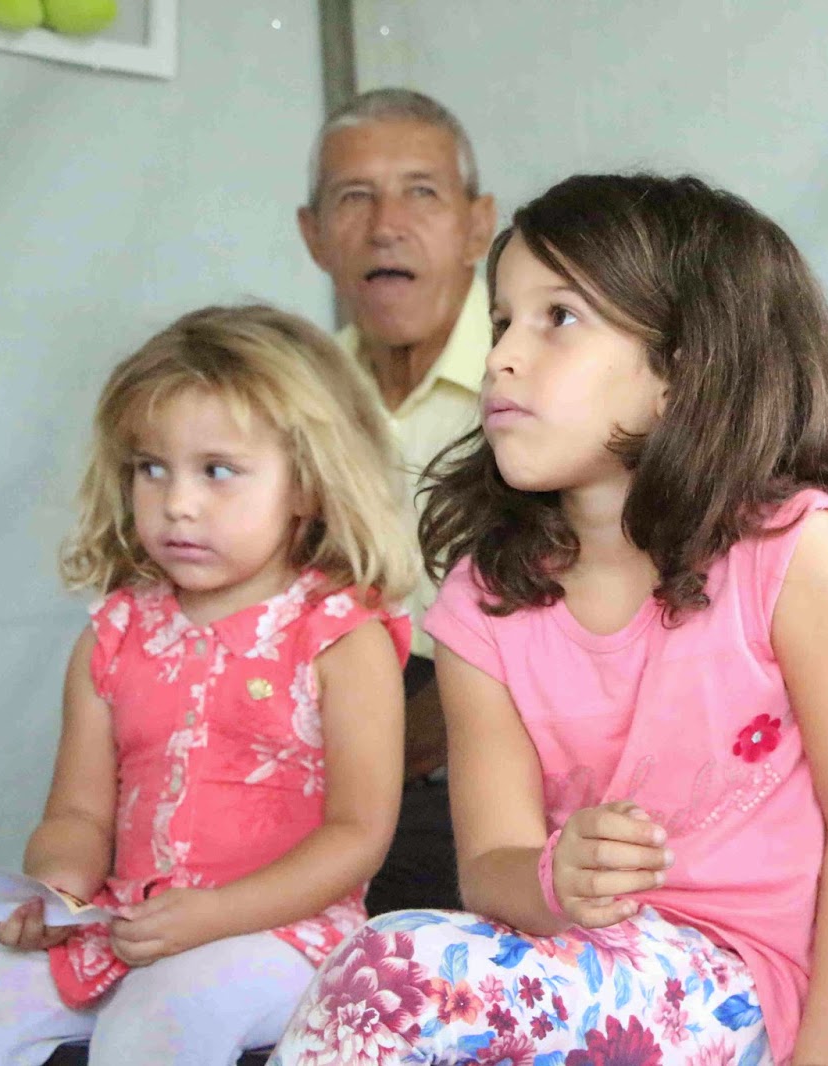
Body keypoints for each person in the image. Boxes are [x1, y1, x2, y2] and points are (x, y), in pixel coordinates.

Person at [267, 174, 828, 1066]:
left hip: (743, 985)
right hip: (570, 967)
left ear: (682, 370)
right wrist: (554, 878)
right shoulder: (482, 599)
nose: (502, 356)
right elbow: (492, 867)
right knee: (395, 969)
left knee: (394, 968)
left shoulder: (793, 548)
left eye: (559, 318)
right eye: (503, 320)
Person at [0, 306, 416, 1064]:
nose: (177, 502)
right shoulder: (114, 636)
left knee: (166, 1012)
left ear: (306, 484)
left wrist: (214, 915)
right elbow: (77, 814)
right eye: (152, 468)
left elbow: (357, 835)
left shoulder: (339, 636)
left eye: (217, 471)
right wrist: (57, 893)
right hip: (127, 928)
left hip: (286, 938)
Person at [297, 88, 497, 913]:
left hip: (488, 767)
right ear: (312, 236)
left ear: (478, 225)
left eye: (421, 192)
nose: (387, 226)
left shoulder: (540, 376)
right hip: (321, 752)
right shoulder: (293, 399)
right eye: (354, 197)